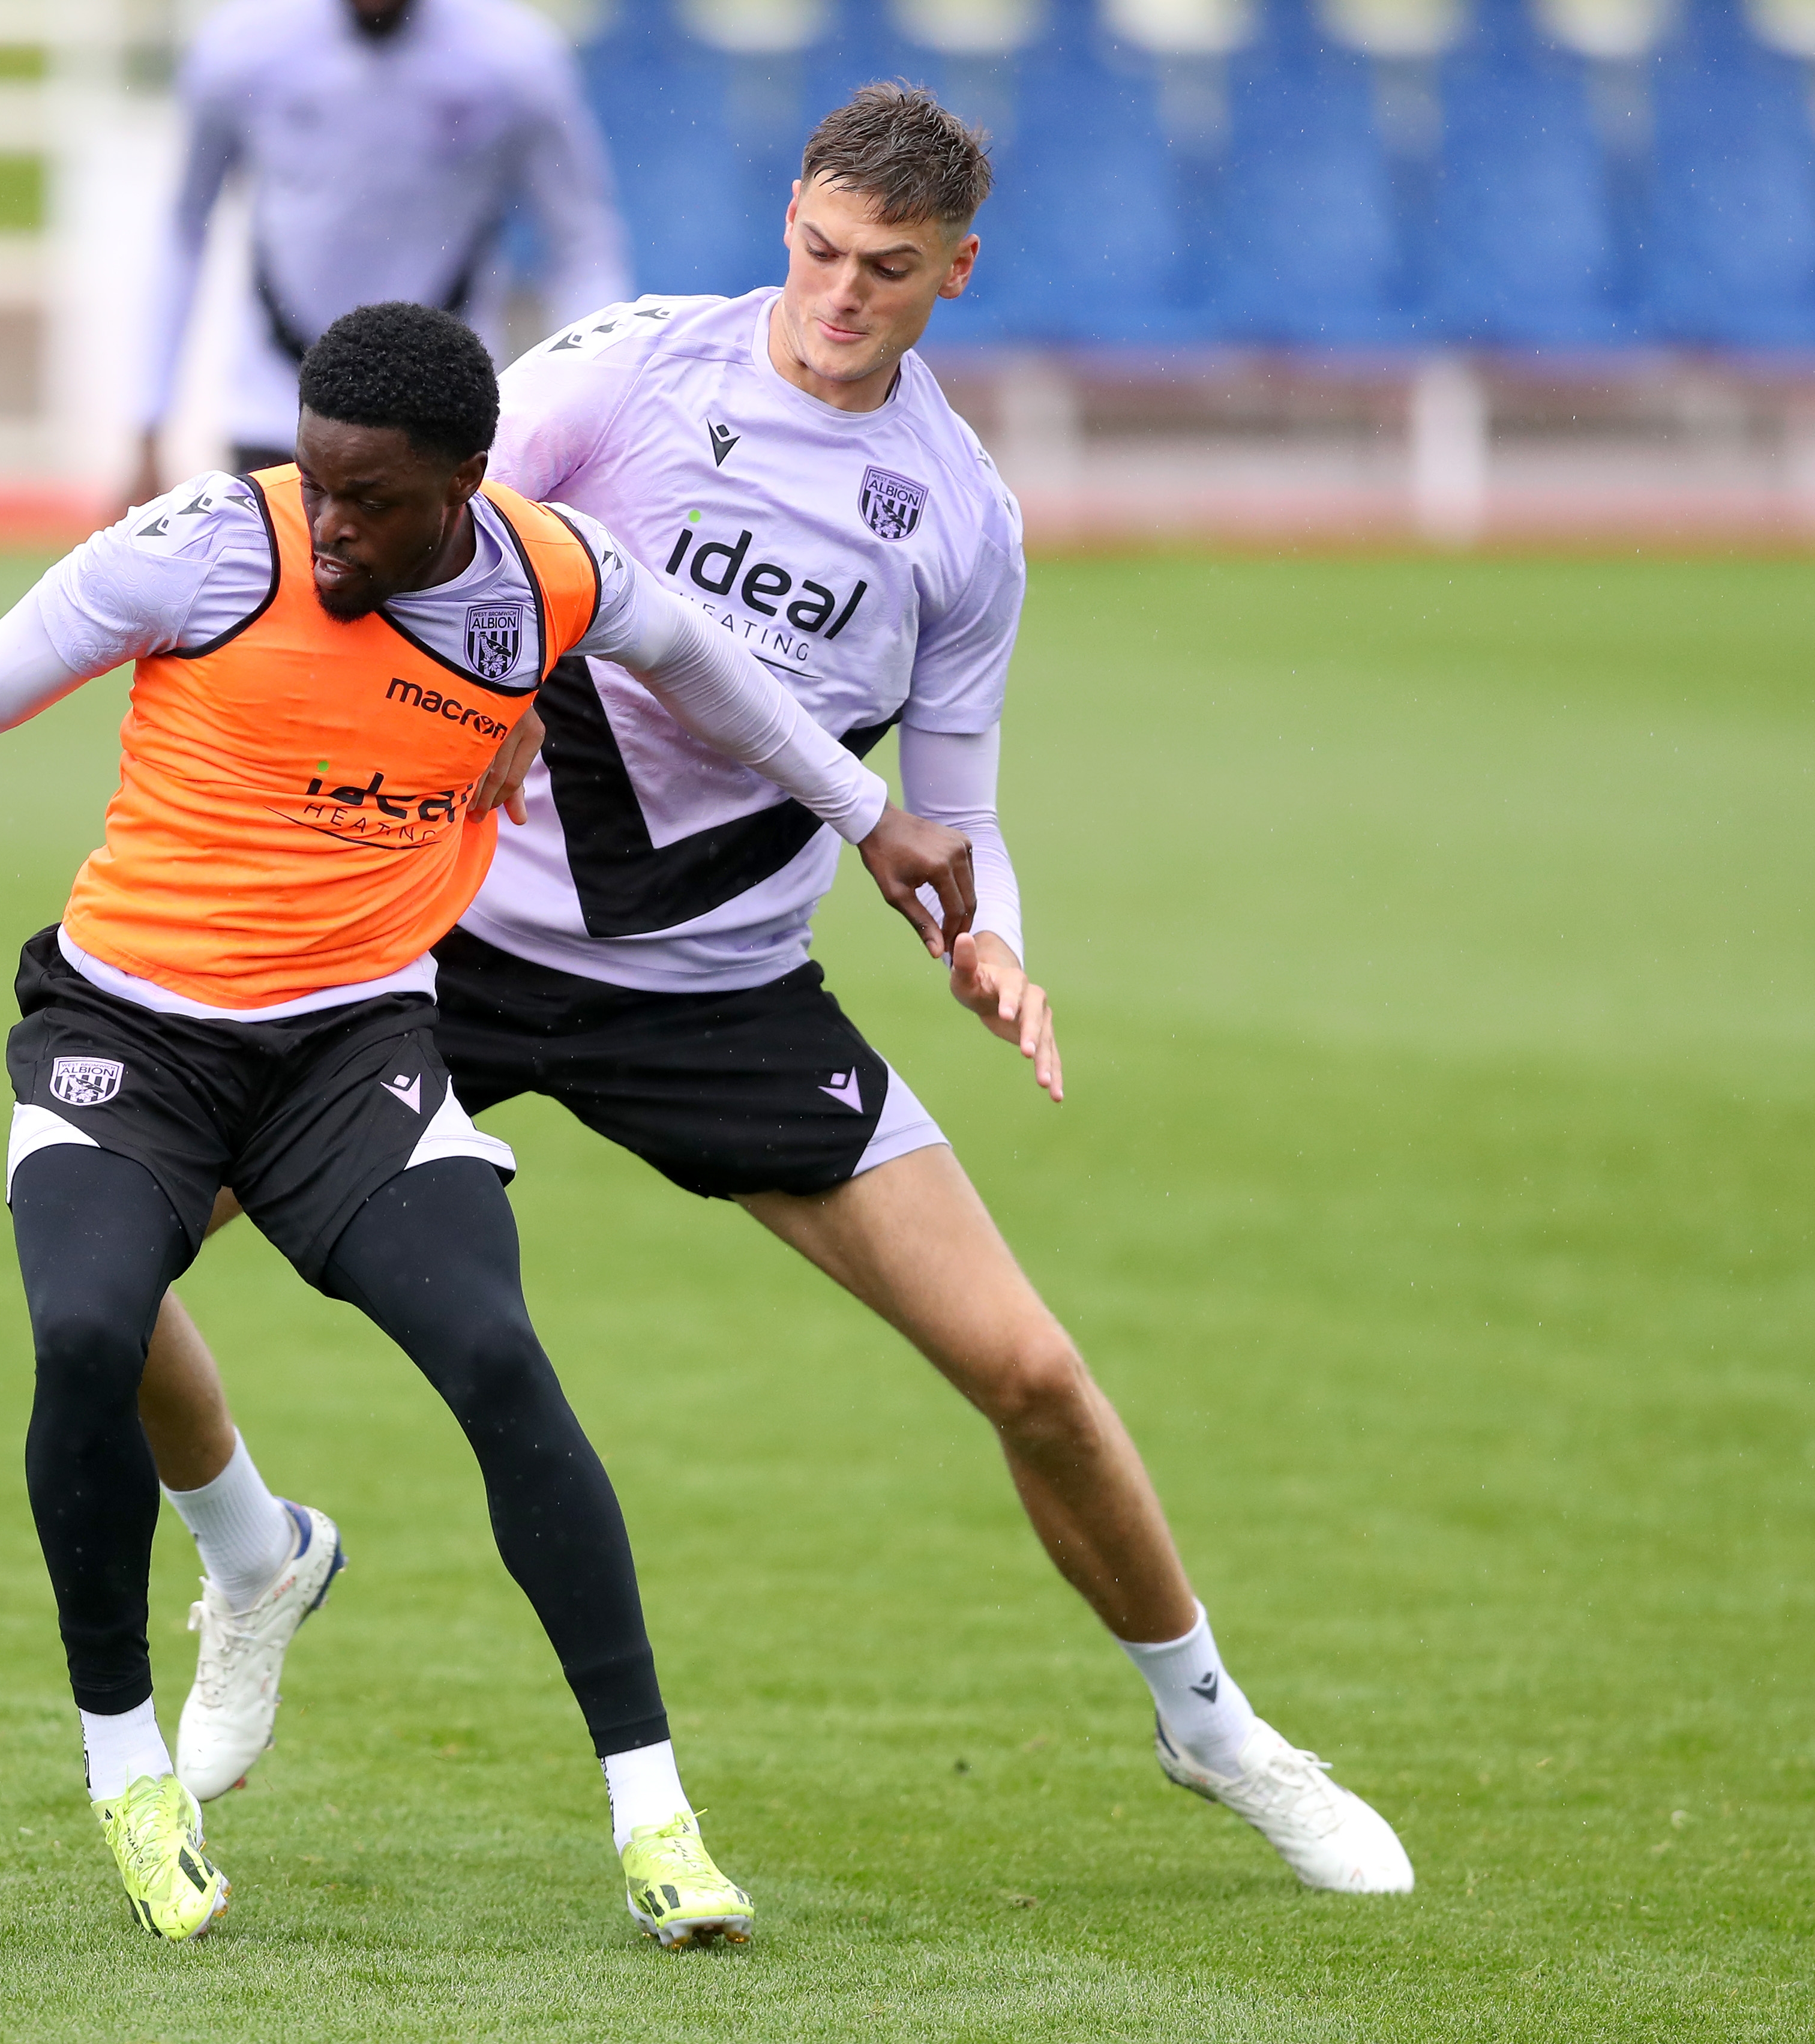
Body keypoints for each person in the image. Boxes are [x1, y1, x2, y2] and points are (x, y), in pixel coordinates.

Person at [136, 85, 1417, 1896]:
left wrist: (991, 939)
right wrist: (471, 717)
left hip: (720, 997)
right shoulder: (628, 372)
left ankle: (1213, 1723)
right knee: (109, 1257)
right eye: (815, 251)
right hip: (445, 941)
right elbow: (415, 542)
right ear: (788, 226)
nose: (835, 295)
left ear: (952, 274)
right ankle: (251, 1548)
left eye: (883, 271)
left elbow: (952, 811)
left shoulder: (959, 524)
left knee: (1029, 1369)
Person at [0, 301, 985, 1946]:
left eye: (369, 498)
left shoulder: (551, 576)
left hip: (352, 1050)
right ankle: (129, 1770)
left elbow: (713, 675)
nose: (326, 522)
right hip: (125, 1034)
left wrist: (871, 814)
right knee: (89, 1327)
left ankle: (655, 1815)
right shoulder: (192, 554)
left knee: (495, 1354)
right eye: (312, 479)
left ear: (466, 479)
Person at [132, 0, 629, 502]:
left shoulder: (515, 60)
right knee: (281, 580)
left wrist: (596, 414)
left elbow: (581, 242)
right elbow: (185, 229)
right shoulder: (241, 46)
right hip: (275, 405)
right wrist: (148, 422)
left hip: (441, 417)